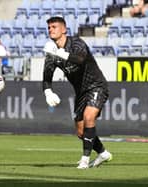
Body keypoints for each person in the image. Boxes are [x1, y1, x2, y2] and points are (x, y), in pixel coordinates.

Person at [42, 17, 112, 169]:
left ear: (64, 29)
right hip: (80, 92)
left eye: (54, 27)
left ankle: (85, 160)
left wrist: (61, 54)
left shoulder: (76, 43)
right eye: (49, 27)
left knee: (89, 117)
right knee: (81, 132)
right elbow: (46, 78)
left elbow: (80, 60)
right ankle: (103, 153)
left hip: (96, 85)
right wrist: (48, 92)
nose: (51, 30)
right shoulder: (51, 53)